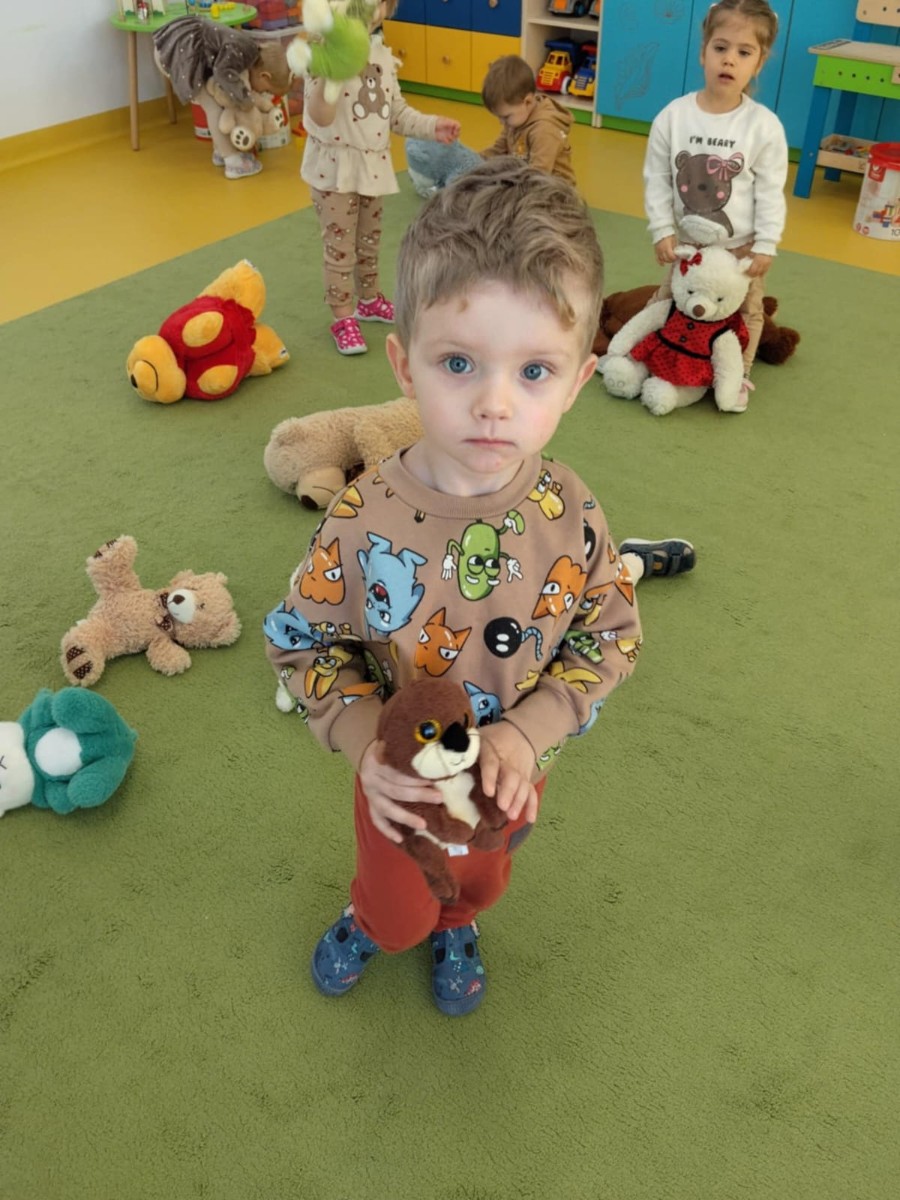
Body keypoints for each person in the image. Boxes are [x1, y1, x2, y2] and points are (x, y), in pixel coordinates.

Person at [264, 158, 653, 1017]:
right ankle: (373, 921)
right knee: (397, 902)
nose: (494, 404)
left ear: (579, 381)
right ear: (405, 365)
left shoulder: (572, 512)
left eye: (534, 371)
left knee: (481, 877)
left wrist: (530, 732)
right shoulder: (361, 516)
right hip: (400, 780)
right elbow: (301, 641)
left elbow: (609, 635)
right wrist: (365, 745)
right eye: (458, 362)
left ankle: (460, 919)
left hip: (514, 770)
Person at [642, 0, 786, 405]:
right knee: (667, 301)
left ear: (759, 62)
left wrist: (766, 244)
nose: (729, 60)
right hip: (690, 246)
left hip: (741, 249)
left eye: (744, 52)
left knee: (749, 311)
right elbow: (657, 179)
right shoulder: (673, 116)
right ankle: (646, 353)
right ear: (703, 52)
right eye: (720, 47)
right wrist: (662, 230)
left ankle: (737, 375)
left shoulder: (763, 126)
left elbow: (770, 191)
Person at [301, 0, 461, 356]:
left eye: (379, 4)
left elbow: (396, 112)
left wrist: (432, 126)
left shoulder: (382, 54)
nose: (371, 11)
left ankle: (369, 299)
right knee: (340, 247)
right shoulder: (320, 52)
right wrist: (332, 74)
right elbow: (319, 116)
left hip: (372, 167)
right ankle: (342, 315)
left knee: (368, 241)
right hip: (334, 170)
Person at [153, 16, 293, 180]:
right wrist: (246, 100)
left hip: (181, 45)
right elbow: (222, 73)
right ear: (264, 76)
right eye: (267, 90)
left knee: (220, 102)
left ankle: (221, 150)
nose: (262, 94)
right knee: (213, 108)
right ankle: (232, 160)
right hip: (178, 50)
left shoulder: (249, 52)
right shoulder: (245, 51)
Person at [480, 55, 575, 186]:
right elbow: (497, 150)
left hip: (554, 190)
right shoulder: (516, 120)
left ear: (528, 102)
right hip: (527, 178)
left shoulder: (544, 130)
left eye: (506, 117)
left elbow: (539, 173)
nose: (501, 122)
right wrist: (474, 162)